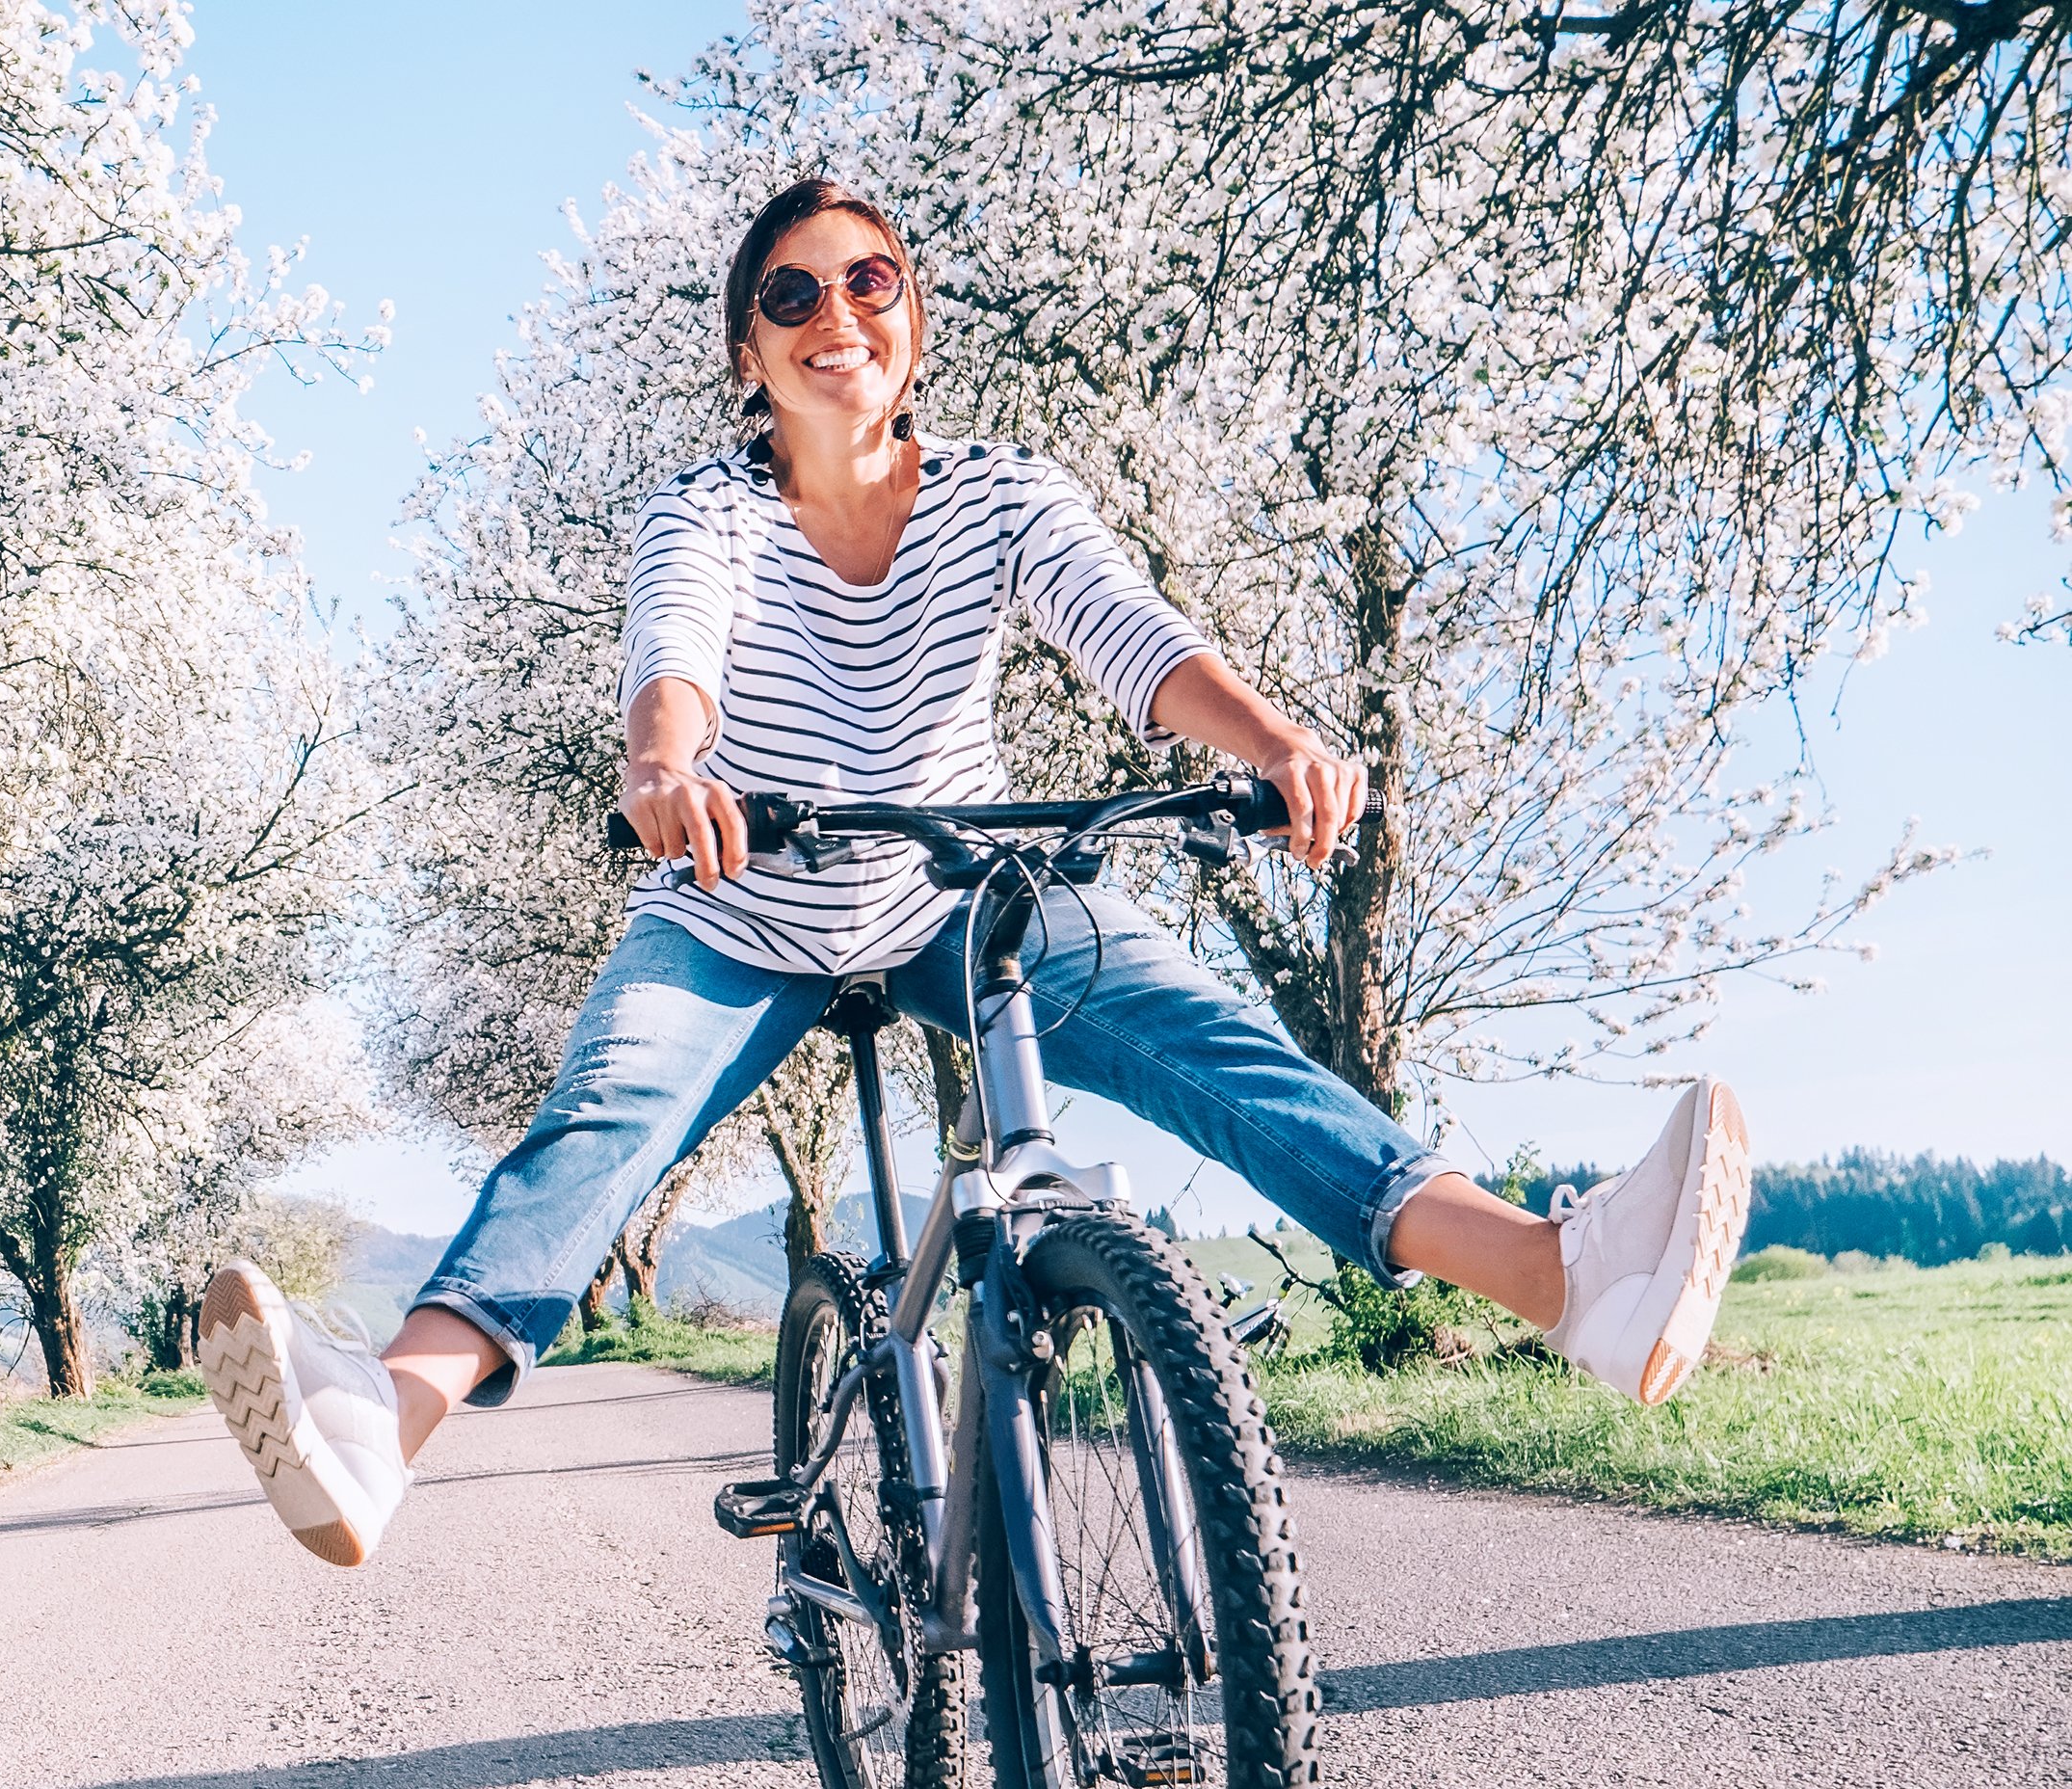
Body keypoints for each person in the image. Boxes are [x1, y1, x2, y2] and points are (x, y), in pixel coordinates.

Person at [198, 178, 1751, 1568]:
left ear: (913, 323)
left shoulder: (1003, 494)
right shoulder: (709, 512)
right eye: (791, 296)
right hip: (744, 907)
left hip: (960, 890)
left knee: (1218, 1049)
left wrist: (1273, 741)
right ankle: (379, 1426)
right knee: (603, 1120)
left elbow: (1127, 629)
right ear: (751, 353)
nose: (835, 315)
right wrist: (666, 770)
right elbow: (676, 658)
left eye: (869, 282)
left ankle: (1562, 1280)